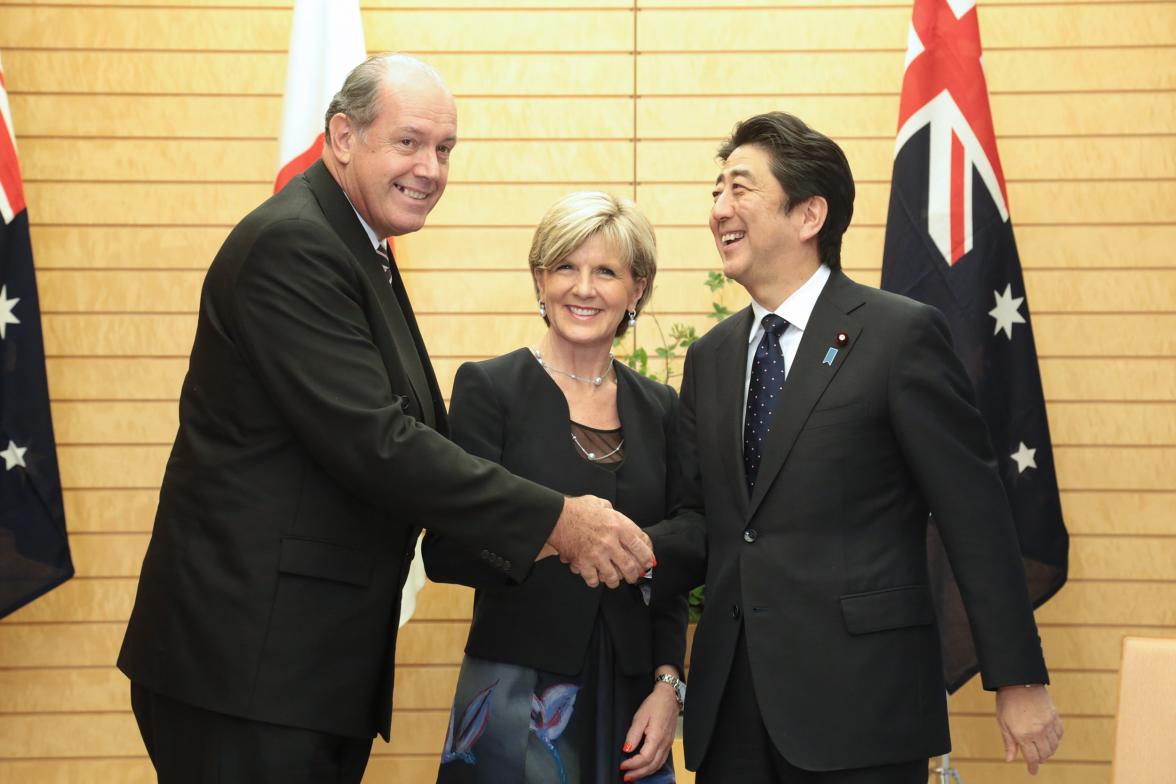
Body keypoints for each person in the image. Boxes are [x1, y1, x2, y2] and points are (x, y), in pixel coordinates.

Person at [116, 55, 654, 784]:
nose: (430, 168)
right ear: (342, 136)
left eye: (444, 149)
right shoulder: (297, 246)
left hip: (299, 668)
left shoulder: (361, 249)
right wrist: (559, 521)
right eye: (408, 142)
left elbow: (411, 438)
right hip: (249, 668)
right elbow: (379, 445)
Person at [646, 112, 1063, 783]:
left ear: (809, 215)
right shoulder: (712, 357)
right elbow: (707, 523)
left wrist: (1017, 677)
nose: (719, 208)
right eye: (716, 191)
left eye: (740, 189)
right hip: (735, 711)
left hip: (863, 706)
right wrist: (607, 543)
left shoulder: (898, 336)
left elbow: (973, 513)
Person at [423, 192, 685, 784]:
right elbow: (446, 548)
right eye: (565, 266)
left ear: (636, 290)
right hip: (516, 694)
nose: (583, 288)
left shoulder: (663, 409)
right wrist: (560, 535)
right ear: (540, 280)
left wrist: (669, 686)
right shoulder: (490, 389)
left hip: (634, 698)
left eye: (606, 271)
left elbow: (674, 572)